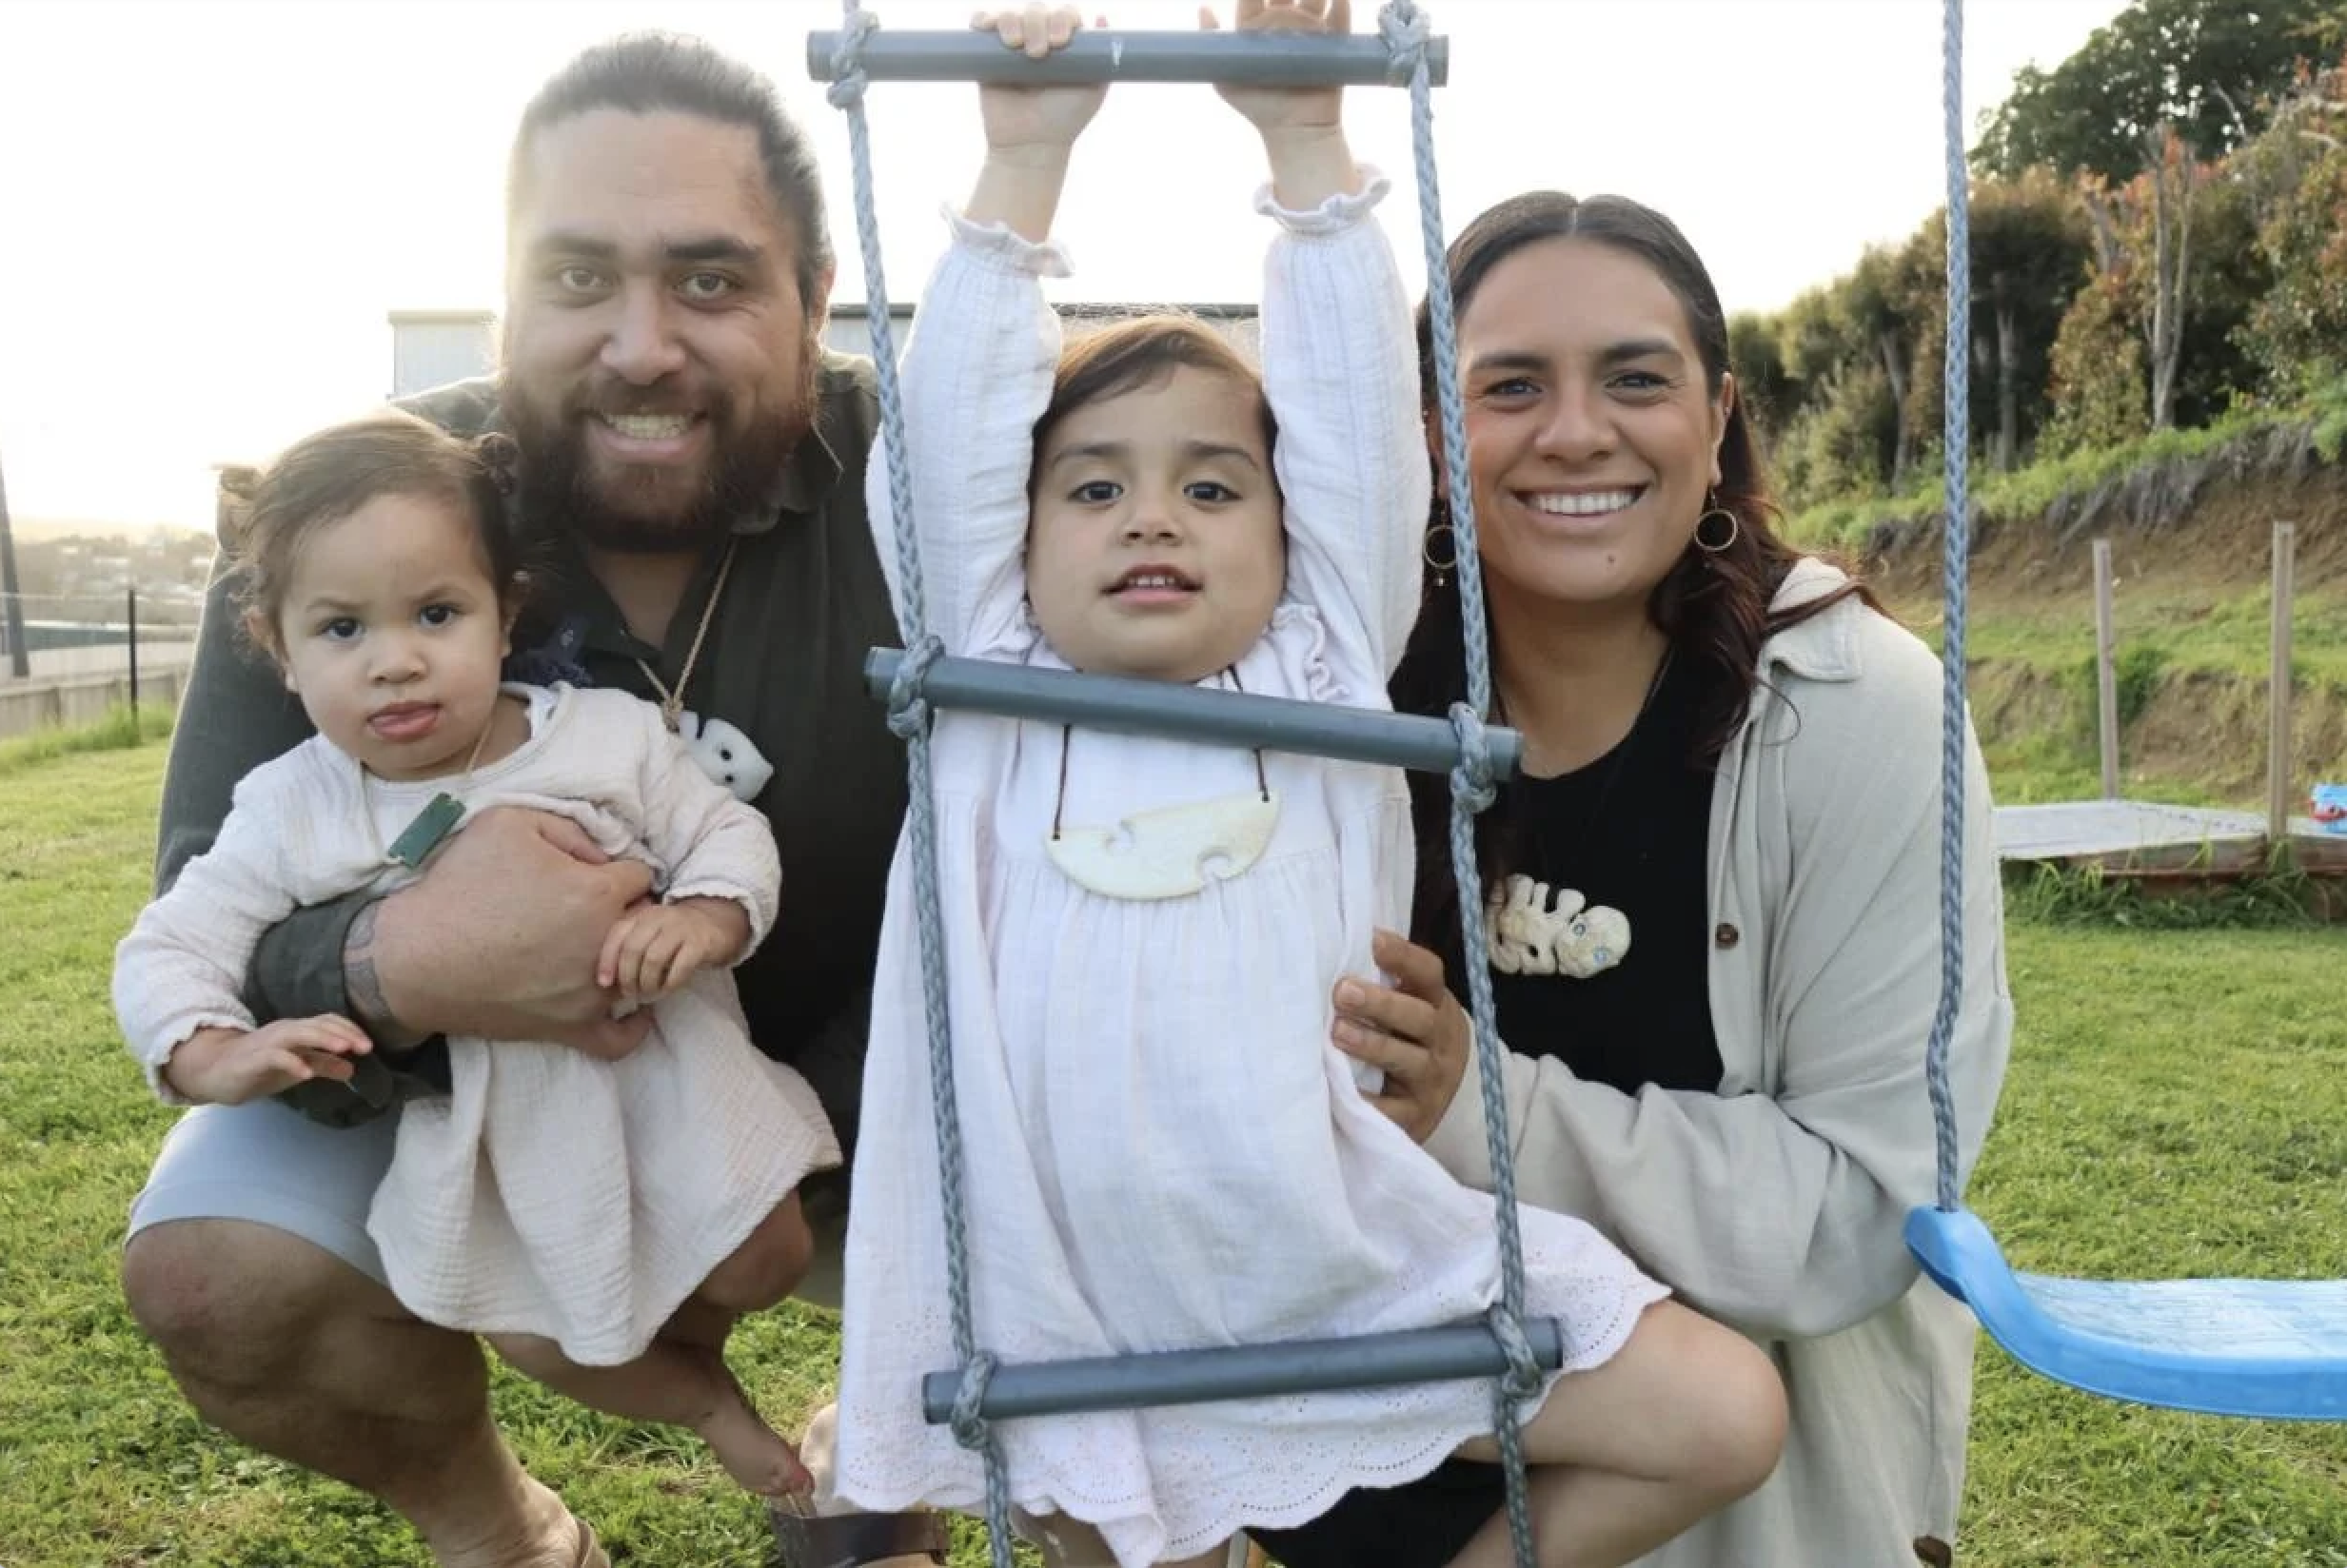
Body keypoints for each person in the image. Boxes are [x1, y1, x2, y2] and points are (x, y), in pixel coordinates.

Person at [827, 9, 1787, 1568]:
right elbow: (938, 443)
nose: (1154, 515)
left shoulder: (1319, 662)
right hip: (1062, 1293)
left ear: (1297, 538)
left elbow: (1348, 409)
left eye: (1213, 483)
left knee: (1719, 1413)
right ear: (1018, 533)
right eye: (1093, 484)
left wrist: (1300, 144)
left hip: (1335, 1265)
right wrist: (1020, 163)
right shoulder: (987, 682)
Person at [116, 33, 951, 1568]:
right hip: (480, 1099)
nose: (640, 344)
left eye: (709, 280)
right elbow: (203, 904)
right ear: (507, 294)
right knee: (210, 1273)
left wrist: (774, 1131)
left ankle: (886, 1430)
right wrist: (408, 964)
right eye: (576, 280)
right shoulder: (351, 519)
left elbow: (1036, 874)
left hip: (888, 1094)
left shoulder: (934, 485)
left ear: (817, 297)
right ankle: (503, 1530)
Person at [1255, 187, 2016, 1568]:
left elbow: (1860, 1206)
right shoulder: (1329, 701)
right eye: (1508, 386)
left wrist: (1473, 1113)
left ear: (1715, 416)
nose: (1573, 432)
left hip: (1712, 1512)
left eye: (1633, 378)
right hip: (1356, 1491)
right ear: (1430, 437)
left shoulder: (1856, 710)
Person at [111, 409, 841, 1511]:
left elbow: (726, 835)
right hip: (496, 1133)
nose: (397, 661)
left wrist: (706, 917)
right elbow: (177, 938)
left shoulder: (600, 735)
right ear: (277, 648)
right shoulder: (293, 806)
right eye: (342, 629)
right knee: (542, 1332)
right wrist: (211, 1049)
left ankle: (742, 1356)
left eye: (436, 614)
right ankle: (707, 1408)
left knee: (764, 1257)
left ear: (506, 614)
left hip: (676, 1076)